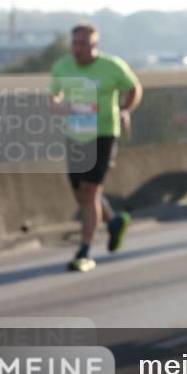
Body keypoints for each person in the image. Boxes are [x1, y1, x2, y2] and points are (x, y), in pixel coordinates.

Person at [49, 23, 142, 272]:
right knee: (82, 194)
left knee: (90, 191)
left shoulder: (112, 66)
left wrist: (125, 110)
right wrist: (60, 106)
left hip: (103, 134)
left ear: (94, 45)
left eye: (84, 44)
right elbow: (52, 98)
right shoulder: (62, 67)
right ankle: (114, 222)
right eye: (75, 43)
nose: (78, 49)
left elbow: (134, 89)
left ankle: (85, 250)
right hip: (75, 135)